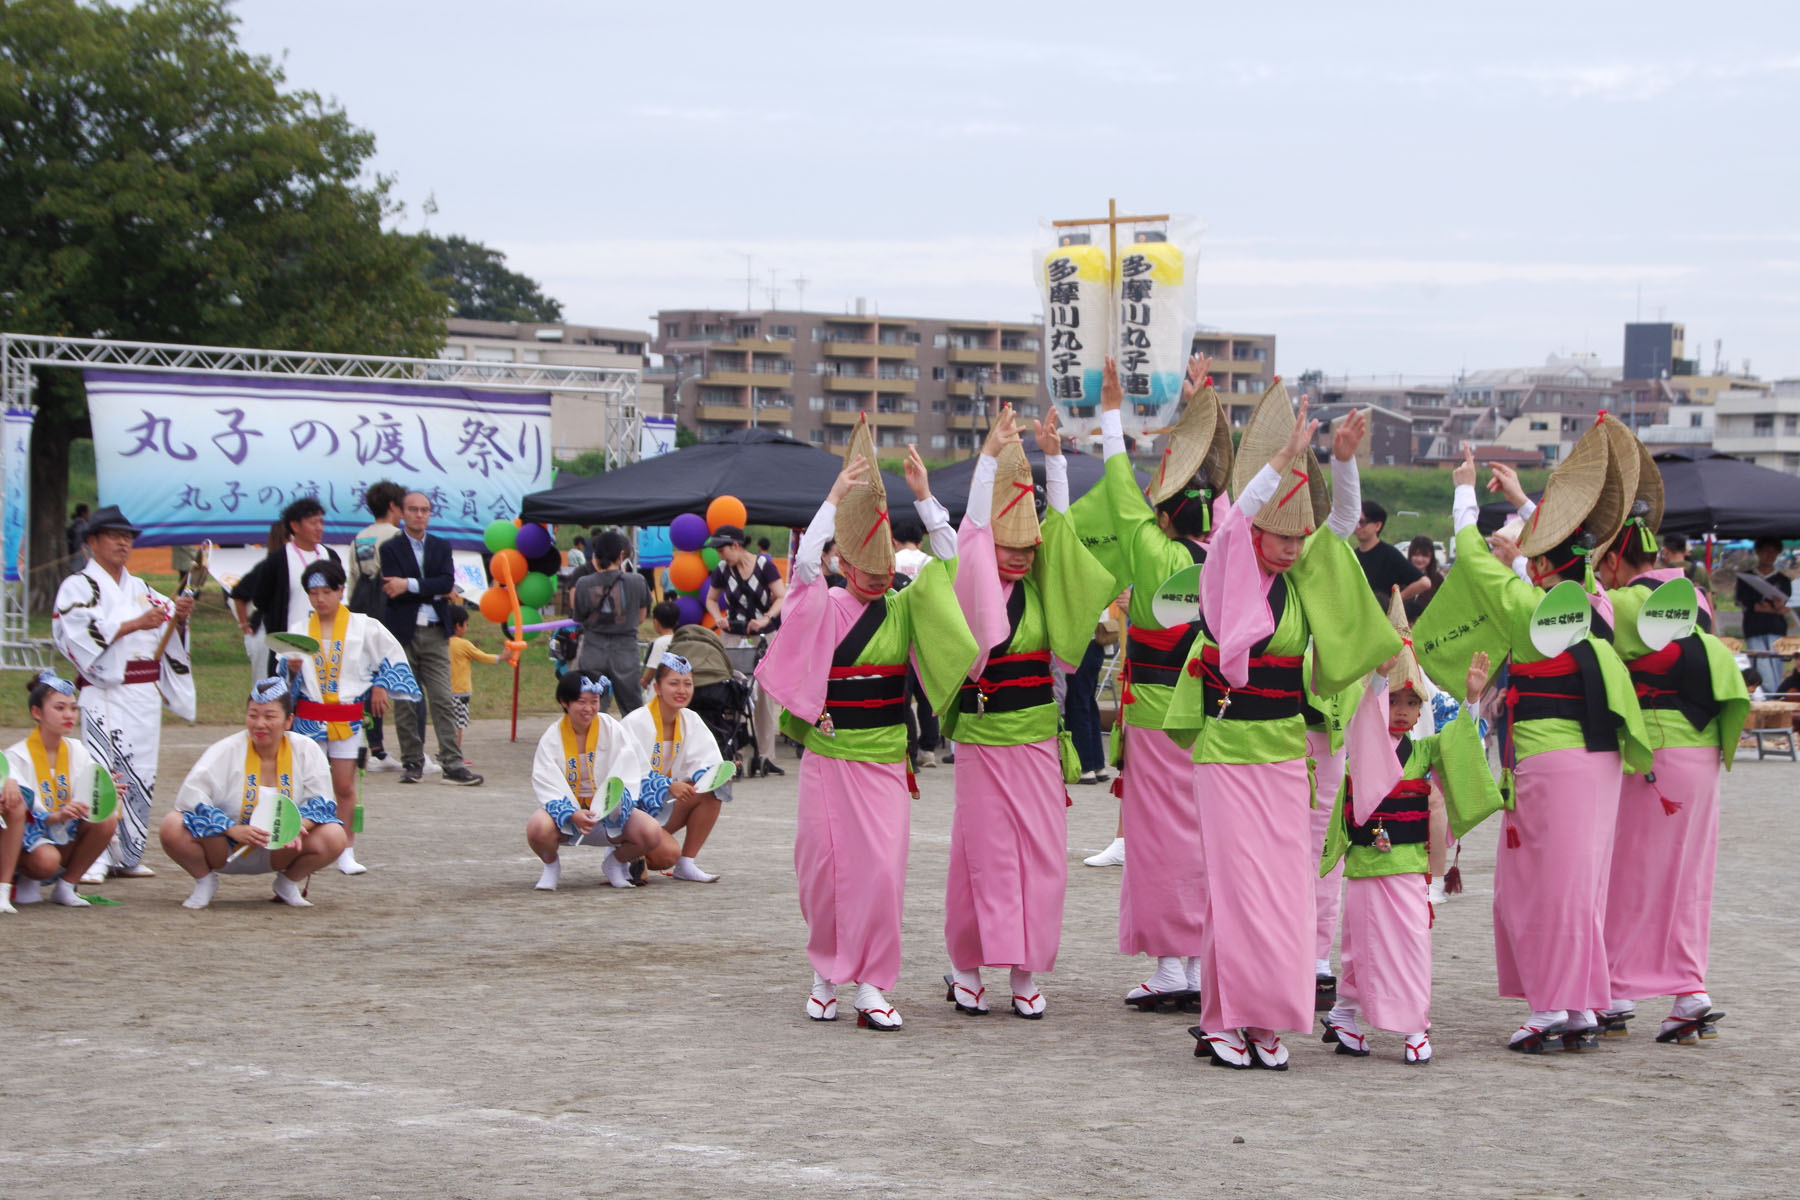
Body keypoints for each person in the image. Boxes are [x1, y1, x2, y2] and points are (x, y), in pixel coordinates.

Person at [1162, 381, 1398, 1071]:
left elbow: (1340, 530)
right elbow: (1236, 525)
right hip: (1229, 754)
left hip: (1284, 754)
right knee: (1239, 893)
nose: (1292, 548)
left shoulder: (1299, 583)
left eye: (1298, 538)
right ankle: (1230, 1017)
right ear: (1255, 528)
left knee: (1284, 894)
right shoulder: (1230, 569)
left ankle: (1259, 1017)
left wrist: (1339, 461)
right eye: (1280, 534)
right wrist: (1285, 457)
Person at [1415, 431, 1651, 1053]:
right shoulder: (1598, 603)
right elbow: (1547, 564)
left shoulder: (1523, 603)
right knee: (1580, 880)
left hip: (1549, 755)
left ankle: (1551, 1007)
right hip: (1599, 757)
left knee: (1546, 881)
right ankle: (1575, 1007)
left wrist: (1465, 495)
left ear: (1539, 565)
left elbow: (1469, 554)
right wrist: (1523, 506)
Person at [756, 416, 977, 1031]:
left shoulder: (903, 608)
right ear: (845, 561)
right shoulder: (821, 603)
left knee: (882, 873)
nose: (880, 581)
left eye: (887, 573)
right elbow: (800, 572)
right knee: (824, 871)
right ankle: (826, 974)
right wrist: (831, 500)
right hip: (829, 758)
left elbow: (952, 566)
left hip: (883, 758)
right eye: (868, 571)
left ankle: (875, 984)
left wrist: (926, 499)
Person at [924, 404, 1117, 1020]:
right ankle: (965, 966)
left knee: (1040, 854)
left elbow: (1061, 530)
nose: (1018, 556)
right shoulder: (969, 579)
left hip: (1035, 737)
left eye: (1025, 549)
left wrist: (1054, 458)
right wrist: (987, 457)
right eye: (1007, 547)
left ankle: (1027, 970)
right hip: (983, 739)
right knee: (981, 853)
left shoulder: (1043, 588)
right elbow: (973, 530)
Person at [1069, 356, 1233, 1009]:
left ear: (1164, 515)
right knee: (1201, 834)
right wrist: (1205, 405)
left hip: (1159, 709)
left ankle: (1173, 967)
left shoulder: (1149, 546)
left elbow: (1116, 477)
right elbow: (1224, 482)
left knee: (1162, 837)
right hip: (1212, 710)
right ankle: (1194, 964)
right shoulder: (1222, 552)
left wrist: (1113, 411)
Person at [1588, 420, 1747, 1044]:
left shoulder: (1623, 605)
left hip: (1654, 752)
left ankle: (1616, 992)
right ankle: (1689, 989)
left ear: (1616, 556)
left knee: (1630, 873)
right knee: (1687, 876)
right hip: (1703, 753)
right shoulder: (1697, 600)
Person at [1322, 598, 1500, 1065]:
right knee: (1359, 944)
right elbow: (1364, 717)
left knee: (1410, 945)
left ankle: (1413, 1024)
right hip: (1365, 863)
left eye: (1410, 703)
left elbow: (1462, 742)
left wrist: (1472, 698)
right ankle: (1344, 1011)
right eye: (1393, 701)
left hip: (1406, 864)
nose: (1401, 712)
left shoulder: (1422, 752)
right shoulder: (1365, 739)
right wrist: (1380, 676)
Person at [51, 505, 196, 880]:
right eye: (114, 536)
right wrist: (134, 624)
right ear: (92, 542)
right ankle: (95, 856)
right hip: (106, 690)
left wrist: (179, 616)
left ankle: (128, 853)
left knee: (140, 772)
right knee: (103, 770)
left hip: (143, 693)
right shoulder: (78, 586)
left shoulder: (141, 589)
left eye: (127, 537)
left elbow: (166, 625)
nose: (122, 543)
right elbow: (77, 633)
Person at [280, 559, 422, 876]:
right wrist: (290, 672)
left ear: (341, 590)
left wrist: (382, 685)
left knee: (344, 786)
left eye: (326, 591)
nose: (320, 599)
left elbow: (391, 654)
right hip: (309, 717)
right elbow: (282, 681)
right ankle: (302, 845)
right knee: (306, 784)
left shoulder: (364, 626)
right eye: (313, 593)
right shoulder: (299, 631)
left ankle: (345, 848)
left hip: (346, 716)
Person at [159, 677, 347, 909]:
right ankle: (204, 881)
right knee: (171, 825)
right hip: (224, 846)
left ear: (289, 720)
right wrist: (231, 829)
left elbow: (323, 802)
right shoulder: (224, 750)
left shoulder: (307, 749)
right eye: (253, 715)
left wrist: (298, 825)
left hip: (283, 848)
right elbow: (190, 797)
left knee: (335, 834)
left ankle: (287, 883)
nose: (259, 724)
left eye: (269, 716)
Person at [526, 671, 675, 891]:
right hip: (569, 815)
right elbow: (546, 780)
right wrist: (572, 813)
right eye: (581, 702)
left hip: (608, 812)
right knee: (537, 828)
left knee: (651, 832)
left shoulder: (611, 728)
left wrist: (610, 804)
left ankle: (616, 862)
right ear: (564, 702)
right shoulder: (552, 737)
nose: (588, 709)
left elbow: (632, 769)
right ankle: (551, 865)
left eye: (594, 702)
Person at [378, 492, 481, 786]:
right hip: (403, 633)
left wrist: (409, 584)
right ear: (402, 513)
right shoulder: (390, 548)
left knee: (443, 698)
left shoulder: (440, 546)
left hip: (436, 632)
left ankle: (453, 762)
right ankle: (413, 762)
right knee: (407, 700)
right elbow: (391, 586)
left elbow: (446, 582)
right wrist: (430, 587)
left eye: (424, 510)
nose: (419, 515)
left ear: (430, 513)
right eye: (413, 509)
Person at [2, 671, 123, 910]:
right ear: (37, 713)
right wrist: (58, 815)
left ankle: (67, 886)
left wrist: (102, 793)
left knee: (106, 819)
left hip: (61, 832)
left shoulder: (78, 750)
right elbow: (24, 812)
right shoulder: (16, 756)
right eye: (59, 708)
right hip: (29, 841)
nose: (69, 715)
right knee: (46, 861)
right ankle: (19, 876)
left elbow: (86, 795)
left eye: (73, 708)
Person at [622, 652, 730, 882]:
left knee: (713, 790)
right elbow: (626, 774)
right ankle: (625, 850)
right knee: (666, 855)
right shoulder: (636, 722)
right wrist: (669, 785)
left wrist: (719, 774)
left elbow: (707, 760)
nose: (681, 690)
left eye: (687, 684)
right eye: (673, 683)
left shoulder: (691, 720)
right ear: (657, 687)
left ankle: (687, 863)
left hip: (664, 806)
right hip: (632, 811)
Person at [705, 523, 789, 777]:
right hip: (733, 635)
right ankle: (735, 752)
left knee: (764, 693)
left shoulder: (764, 565)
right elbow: (711, 598)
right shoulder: (722, 570)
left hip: (762, 635)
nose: (720, 556)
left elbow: (782, 596)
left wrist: (766, 618)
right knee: (732, 691)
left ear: (736, 545)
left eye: (722, 550)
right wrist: (717, 617)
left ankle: (765, 754)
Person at [231, 496, 342, 677]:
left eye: (321, 522)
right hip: (288, 645)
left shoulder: (329, 555)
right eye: (313, 523)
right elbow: (261, 599)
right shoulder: (278, 560)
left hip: (325, 641)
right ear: (295, 526)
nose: (319, 527)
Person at [349, 480, 406, 771]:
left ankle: (372, 747)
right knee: (391, 676)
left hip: (361, 608)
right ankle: (398, 751)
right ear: (394, 506)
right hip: (390, 609)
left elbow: (352, 579)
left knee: (365, 677)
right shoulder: (398, 535)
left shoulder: (360, 538)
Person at [572, 530, 650, 715]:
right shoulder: (637, 581)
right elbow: (640, 617)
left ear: (595, 556)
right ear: (621, 554)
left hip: (593, 648)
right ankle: (635, 743)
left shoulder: (583, 583)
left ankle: (594, 743)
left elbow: (579, 616)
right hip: (625, 649)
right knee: (632, 708)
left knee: (592, 706)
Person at [447, 603, 511, 754]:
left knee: (446, 725)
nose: (467, 628)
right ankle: (454, 755)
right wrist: (501, 657)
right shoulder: (463, 644)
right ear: (458, 626)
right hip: (460, 693)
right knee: (458, 726)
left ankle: (444, 752)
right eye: (466, 625)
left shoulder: (441, 642)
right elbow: (481, 657)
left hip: (444, 692)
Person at [1735, 535, 1792, 694]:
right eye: (1766, 551)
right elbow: (1745, 602)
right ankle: (1768, 697)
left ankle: (1775, 696)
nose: (1770, 556)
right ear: (1758, 552)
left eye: (1774, 552)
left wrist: (1776, 607)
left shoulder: (1783, 580)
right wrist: (1767, 608)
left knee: (1776, 666)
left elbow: (1785, 605)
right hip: (1755, 628)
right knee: (1761, 667)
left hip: (1777, 630)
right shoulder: (1747, 578)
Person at [1353, 500, 1428, 606]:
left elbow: (1424, 583)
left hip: (1380, 617)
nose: (1358, 526)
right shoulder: (1352, 555)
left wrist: (1393, 601)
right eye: (1355, 521)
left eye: (1362, 522)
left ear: (1378, 526)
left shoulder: (1390, 554)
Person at [640, 600, 680, 690]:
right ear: (676, 622)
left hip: (661, 687)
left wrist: (645, 681)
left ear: (656, 622)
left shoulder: (660, 642)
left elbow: (654, 668)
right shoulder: (680, 639)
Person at [1403, 536, 1444, 623]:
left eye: (1424, 555)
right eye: (1416, 554)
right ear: (1410, 555)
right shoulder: (1400, 576)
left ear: (1431, 557)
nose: (1420, 559)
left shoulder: (1438, 579)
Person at [65, 503, 90, 571]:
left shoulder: (74, 524)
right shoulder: (81, 526)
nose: (90, 514)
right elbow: (79, 544)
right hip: (80, 561)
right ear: (83, 513)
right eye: (88, 512)